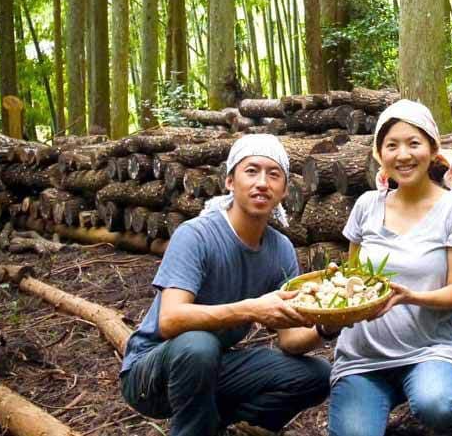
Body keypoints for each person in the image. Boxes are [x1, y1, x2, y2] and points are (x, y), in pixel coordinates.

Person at [120, 134, 332, 436]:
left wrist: (329, 325)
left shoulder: (281, 249)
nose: (262, 182)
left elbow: (290, 340)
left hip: (212, 365)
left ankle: (225, 429)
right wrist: (252, 310)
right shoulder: (195, 235)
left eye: (274, 175)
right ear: (230, 181)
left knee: (316, 375)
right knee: (199, 345)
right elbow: (170, 320)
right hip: (151, 372)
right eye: (251, 171)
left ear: (284, 190)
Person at [327, 99, 452, 436]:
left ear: (432, 148)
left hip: (429, 350)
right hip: (362, 359)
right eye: (392, 145)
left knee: (438, 405)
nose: (403, 155)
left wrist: (410, 296)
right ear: (379, 154)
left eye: (414, 143)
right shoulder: (367, 206)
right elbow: (354, 280)